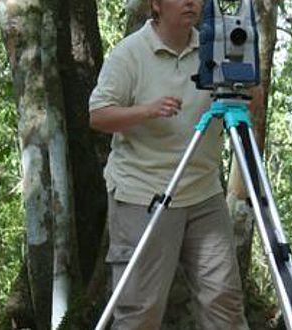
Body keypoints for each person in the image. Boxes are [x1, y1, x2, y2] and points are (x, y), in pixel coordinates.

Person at [88, 0, 250, 329]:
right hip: (143, 193)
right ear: (156, 4)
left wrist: (245, 71)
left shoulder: (215, 47)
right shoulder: (130, 53)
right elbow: (98, 115)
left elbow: (251, 100)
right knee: (140, 310)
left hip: (203, 192)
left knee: (224, 302)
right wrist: (147, 110)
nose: (191, 2)